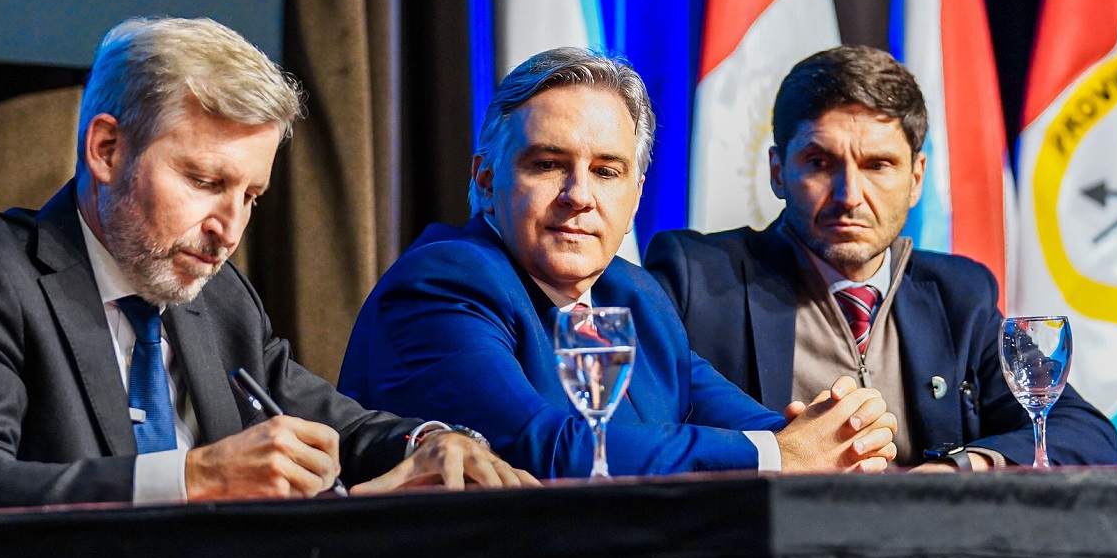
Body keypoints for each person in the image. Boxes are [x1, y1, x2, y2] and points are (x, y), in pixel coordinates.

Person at [0, 17, 530, 512]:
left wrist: (429, 441)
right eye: (207, 182)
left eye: (251, 197)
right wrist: (197, 478)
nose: (229, 230)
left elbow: (335, 427)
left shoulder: (218, 297)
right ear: (106, 149)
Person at [339, 48, 901, 479]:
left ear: (634, 201)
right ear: (487, 181)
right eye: (548, 164)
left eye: (606, 172)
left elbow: (751, 425)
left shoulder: (632, 293)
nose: (579, 196)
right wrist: (782, 454)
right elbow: (543, 449)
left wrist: (837, 435)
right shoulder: (443, 284)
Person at [646, 47, 1117, 470]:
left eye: (878, 165)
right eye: (820, 163)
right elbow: (641, 434)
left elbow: (1084, 433)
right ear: (777, 171)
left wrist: (958, 472)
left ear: (916, 178)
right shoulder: (696, 277)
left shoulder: (958, 294)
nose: (849, 195)